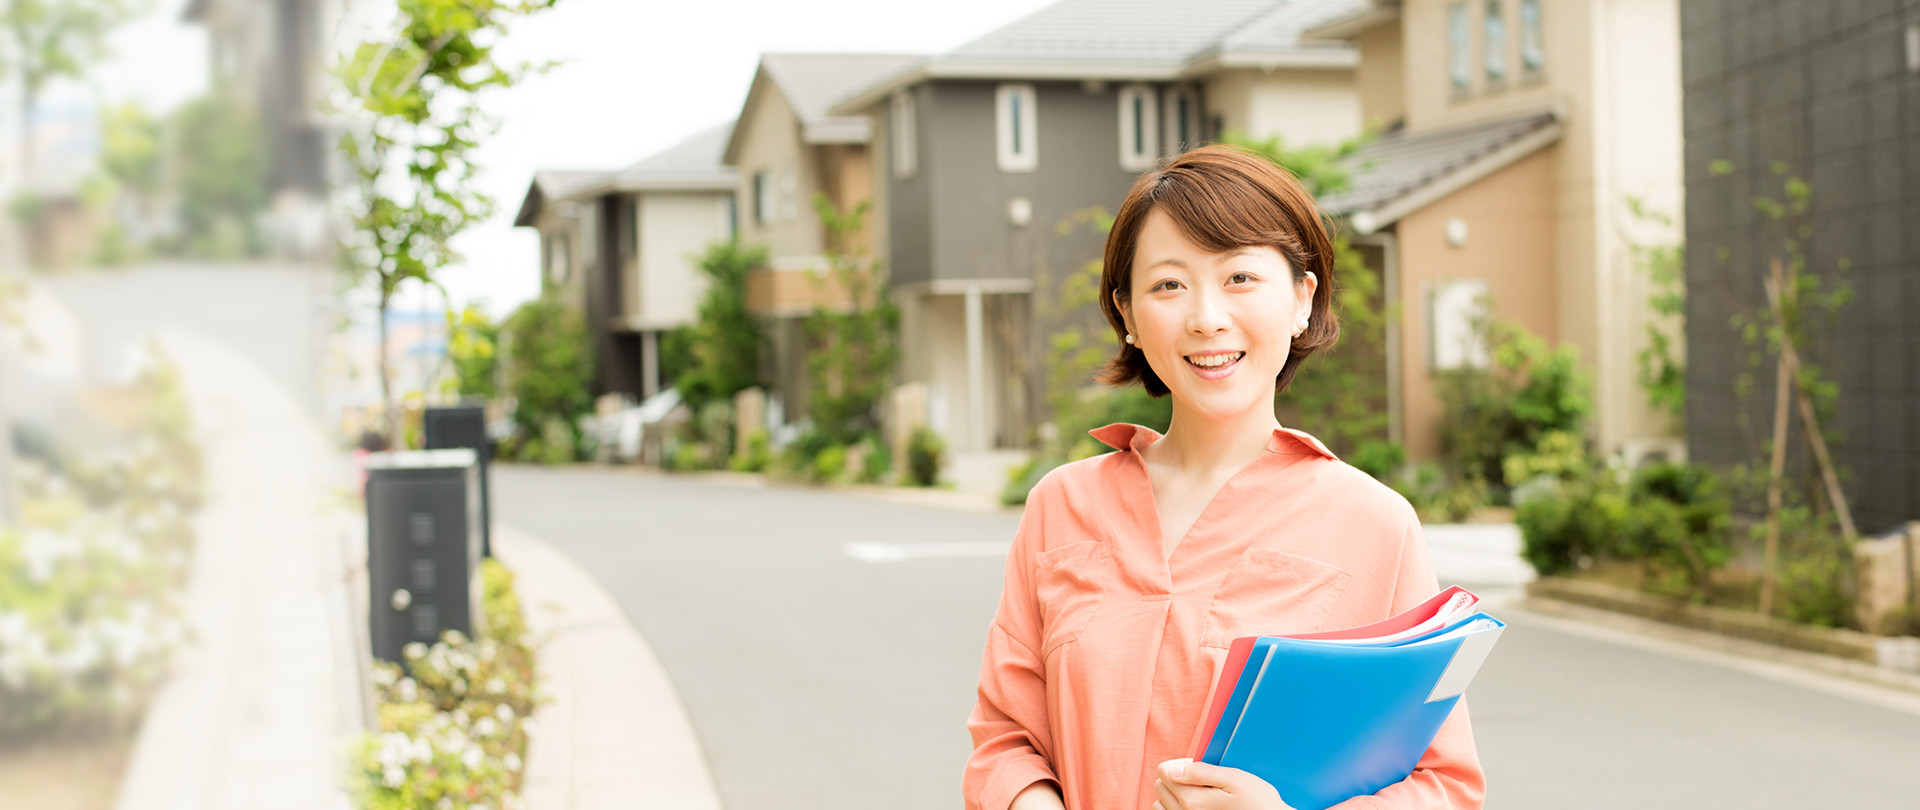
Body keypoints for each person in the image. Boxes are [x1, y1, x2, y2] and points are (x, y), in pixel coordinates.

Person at [961, 145, 1484, 810]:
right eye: (1168, 285)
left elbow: (1444, 786)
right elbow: (1005, 741)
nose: (1206, 317)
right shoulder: (1062, 506)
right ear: (1127, 316)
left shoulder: (1375, 525)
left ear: (1302, 298)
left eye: (1239, 278)